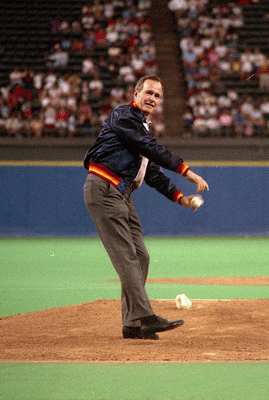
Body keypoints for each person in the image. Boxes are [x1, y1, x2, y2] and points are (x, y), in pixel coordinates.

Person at [83, 75, 209, 340]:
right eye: (149, 93)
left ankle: (133, 323)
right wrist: (186, 171)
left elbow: (151, 171)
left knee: (141, 257)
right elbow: (150, 148)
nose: (152, 99)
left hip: (122, 194)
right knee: (127, 256)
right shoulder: (124, 116)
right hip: (105, 187)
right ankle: (145, 316)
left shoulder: (140, 129)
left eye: (157, 96)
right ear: (136, 93)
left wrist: (180, 197)